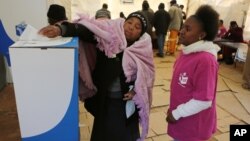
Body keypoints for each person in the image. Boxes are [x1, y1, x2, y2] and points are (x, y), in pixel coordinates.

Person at [39, 11, 155, 141]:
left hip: (126, 106)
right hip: (105, 102)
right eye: (129, 22)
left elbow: (147, 76)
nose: (131, 27)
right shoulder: (108, 37)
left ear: (140, 34)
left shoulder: (142, 49)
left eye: (137, 27)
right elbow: (86, 30)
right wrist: (61, 29)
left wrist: (136, 91)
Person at [166, 5, 220, 141]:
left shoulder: (205, 60)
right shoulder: (186, 52)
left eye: (188, 29)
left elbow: (204, 100)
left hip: (194, 127)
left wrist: (176, 113)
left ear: (201, 35)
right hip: (182, 119)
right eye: (183, 26)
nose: (181, 31)